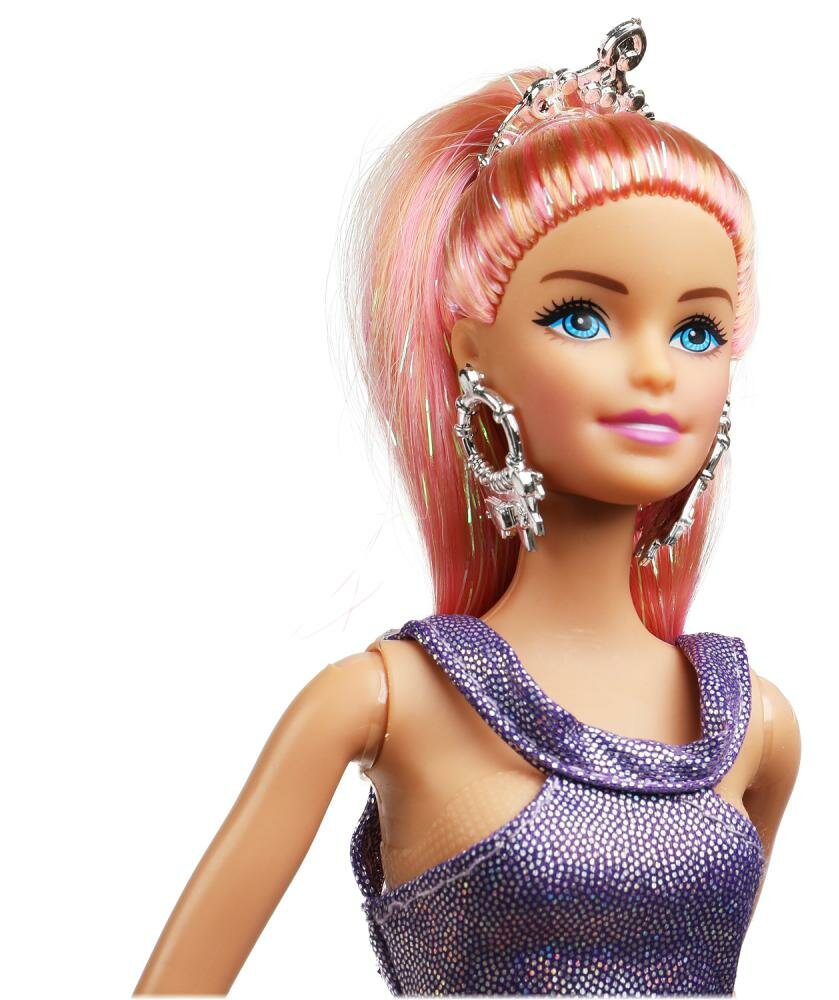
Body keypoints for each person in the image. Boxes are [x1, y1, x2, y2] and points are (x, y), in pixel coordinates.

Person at [135, 18, 800, 997]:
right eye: (583, 316)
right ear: (472, 350)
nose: (656, 369)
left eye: (697, 329)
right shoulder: (386, 701)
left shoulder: (753, 726)